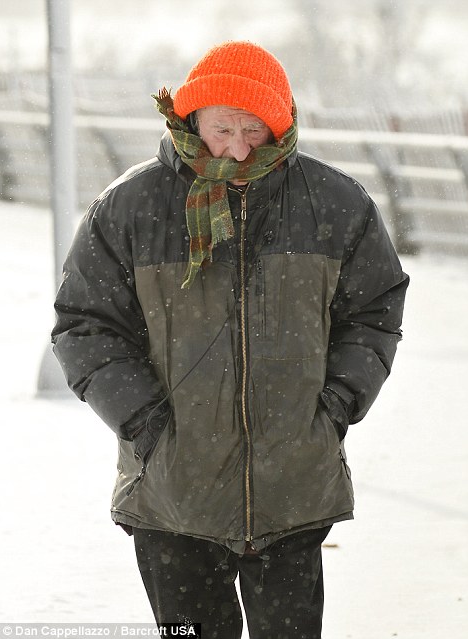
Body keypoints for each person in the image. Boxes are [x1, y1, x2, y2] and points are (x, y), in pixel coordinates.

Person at [52, 41, 409, 639]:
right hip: (171, 494)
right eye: (223, 128)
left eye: (255, 130)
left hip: (291, 489)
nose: (239, 148)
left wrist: (335, 405)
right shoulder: (131, 206)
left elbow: (373, 312)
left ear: (281, 126)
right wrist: (145, 423)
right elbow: (86, 325)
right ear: (190, 118)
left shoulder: (336, 203)